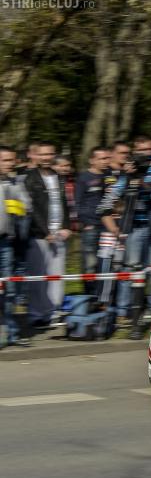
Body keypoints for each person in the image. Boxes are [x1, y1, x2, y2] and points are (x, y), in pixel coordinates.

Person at [98, 135, 151, 331]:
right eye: (141, 151)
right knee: (131, 268)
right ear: (135, 151)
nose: (145, 154)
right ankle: (126, 313)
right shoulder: (130, 167)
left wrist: (143, 183)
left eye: (148, 150)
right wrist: (105, 205)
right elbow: (116, 190)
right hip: (135, 226)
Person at [24, 141, 71, 329]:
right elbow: (32, 209)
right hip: (39, 235)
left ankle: (54, 311)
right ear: (35, 156)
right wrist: (45, 232)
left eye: (49, 154)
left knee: (57, 275)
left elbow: (64, 204)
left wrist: (66, 226)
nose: (46, 158)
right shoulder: (29, 179)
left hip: (59, 233)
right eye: (42, 154)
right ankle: (37, 314)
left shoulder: (58, 177)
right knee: (38, 276)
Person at [0, 146, 27, 346]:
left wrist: (18, 204)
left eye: (12, 160)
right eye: (5, 160)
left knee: (8, 290)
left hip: (5, 242)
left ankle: (11, 333)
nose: (10, 164)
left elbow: (26, 206)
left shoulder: (15, 183)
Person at [75, 147, 110, 295]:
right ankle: (89, 295)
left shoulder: (109, 176)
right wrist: (84, 222)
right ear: (92, 160)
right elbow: (77, 202)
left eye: (107, 158)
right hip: (91, 226)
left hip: (107, 226)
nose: (105, 161)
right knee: (90, 263)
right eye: (102, 158)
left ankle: (102, 296)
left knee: (105, 263)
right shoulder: (83, 178)